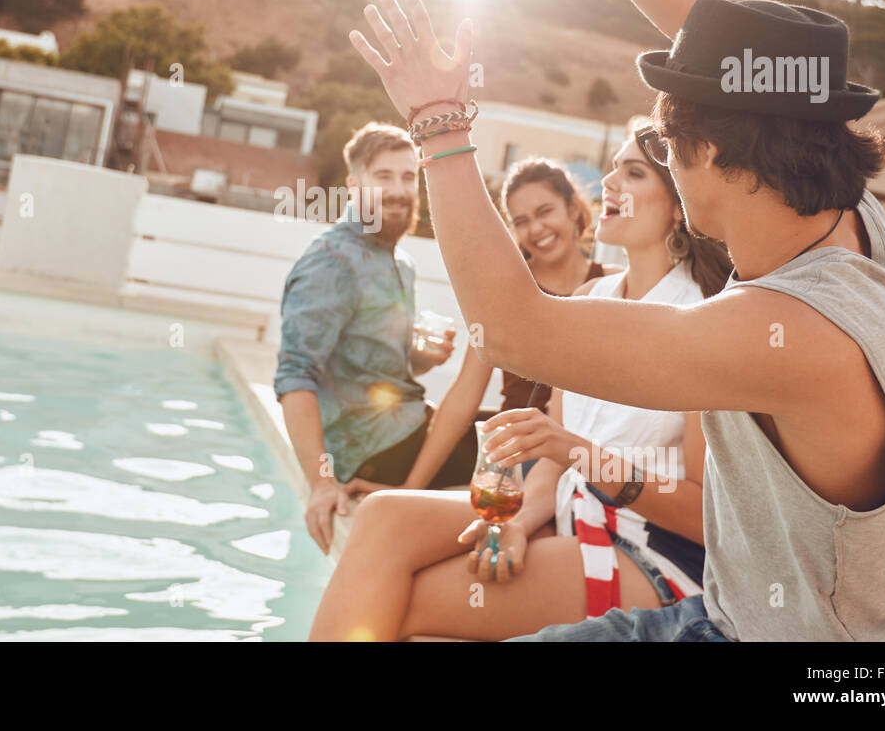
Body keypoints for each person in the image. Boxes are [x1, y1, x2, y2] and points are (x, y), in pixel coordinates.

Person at [340, 0, 885, 642]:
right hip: (732, 614)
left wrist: (438, 125)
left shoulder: (788, 332)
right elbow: (715, 29)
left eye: (662, 138)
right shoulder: (846, 212)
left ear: (714, 155)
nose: (654, 154)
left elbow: (512, 328)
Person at [309, 130, 732, 640]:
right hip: (562, 511)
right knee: (382, 516)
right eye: (614, 167)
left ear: (680, 202)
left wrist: (578, 451)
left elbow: (704, 517)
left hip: (649, 548)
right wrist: (519, 522)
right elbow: (550, 448)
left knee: (405, 599)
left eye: (634, 172)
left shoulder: (706, 318)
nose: (609, 181)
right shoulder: (591, 296)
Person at [343, 157, 611, 494]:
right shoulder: (503, 292)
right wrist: (411, 485)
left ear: (573, 209)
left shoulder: (614, 286)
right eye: (522, 221)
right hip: (516, 453)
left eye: (545, 212)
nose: (536, 229)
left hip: (586, 451)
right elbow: (464, 396)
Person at [274, 121, 463, 555]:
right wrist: (322, 483)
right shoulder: (331, 262)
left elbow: (377, 364)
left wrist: (421, 359)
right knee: (522, 460)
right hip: (374, 454)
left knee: (513, 432)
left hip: (407, 427)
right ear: (353, 187)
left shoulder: (400, 260)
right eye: (383, 177)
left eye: (407, 177)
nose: (398, 190)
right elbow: (294, 376)